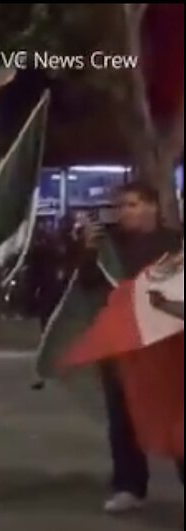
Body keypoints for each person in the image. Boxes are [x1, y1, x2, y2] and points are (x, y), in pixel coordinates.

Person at [75, 182, 183, 513]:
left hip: (165, 343)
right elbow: (88, 285)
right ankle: (129, 485)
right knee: (121, 415)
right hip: (123, 344)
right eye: (120, 206)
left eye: (132, 205)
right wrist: (88, 252)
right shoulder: (111, 247)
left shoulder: (174, 243)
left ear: (152, 207)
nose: (124, 212)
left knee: (175, 414)